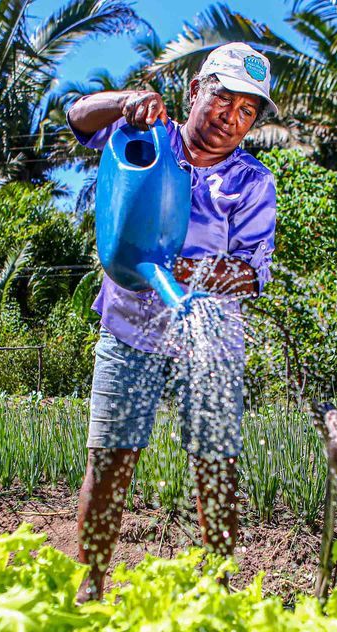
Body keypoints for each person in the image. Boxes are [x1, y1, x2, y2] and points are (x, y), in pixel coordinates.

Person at [66, 42, 278, 602]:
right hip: (129, 330)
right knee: (111, 462)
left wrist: (187, 270)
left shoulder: (251, 183)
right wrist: (126, 100)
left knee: (216, 470)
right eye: (222, 100)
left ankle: (217, 592)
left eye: (246, 112)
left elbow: (253, 273)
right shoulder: (145, 141)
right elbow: (77, 117)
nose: (230, 119)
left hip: (211, 342)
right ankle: (89, 587)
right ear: (194, 92)